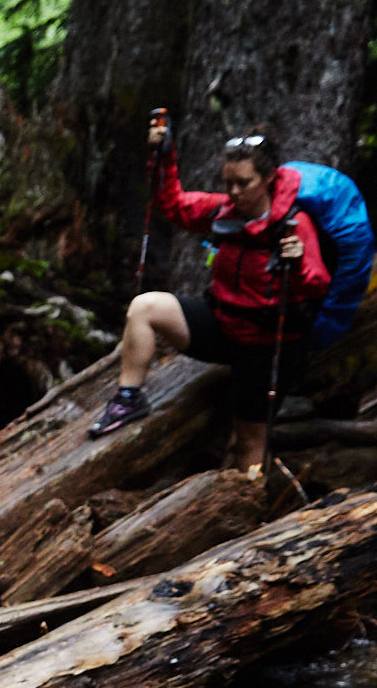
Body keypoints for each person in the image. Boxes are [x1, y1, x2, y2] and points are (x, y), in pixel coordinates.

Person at [91, 122, 333, 474]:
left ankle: (249, 505)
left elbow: (317, 286)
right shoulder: (223, 211)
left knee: (248, 441)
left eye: (243, 183)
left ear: (268, 180)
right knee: (144, 308)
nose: (233, 192)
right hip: (221, 326)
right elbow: (172, 205)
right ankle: (129, 399)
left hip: (265, 346)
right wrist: (162, 157)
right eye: (227, 183)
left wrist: (295, 265)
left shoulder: (294, 226)